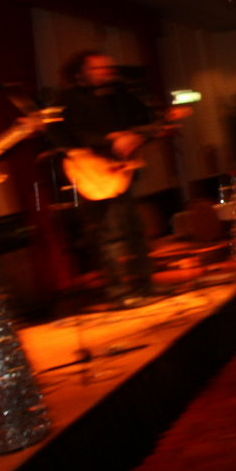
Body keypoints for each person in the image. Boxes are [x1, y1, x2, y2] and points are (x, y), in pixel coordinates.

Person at [52, 51, 158, 309]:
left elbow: (140, 123)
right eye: (97, 68)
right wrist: (109, 141)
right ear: (80, 73)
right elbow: (70, 135)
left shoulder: (118, 96)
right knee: (111, 235)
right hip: (94, 173)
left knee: (134, 231)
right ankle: (119, 292)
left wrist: (154, 127)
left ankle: (146, 286)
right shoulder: (69, 100)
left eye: (107, 67)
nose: (105, 72)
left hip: (121, 172)